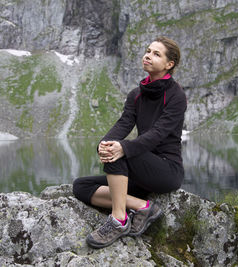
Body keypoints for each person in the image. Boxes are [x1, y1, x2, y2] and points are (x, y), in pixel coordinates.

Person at [73, 36, 187, 249]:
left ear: (169, 64)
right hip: (140, 171)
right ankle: (142, 206)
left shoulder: (176, 95)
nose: (148, 56)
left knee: (120, 149)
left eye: (156, 54)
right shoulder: (136, 95)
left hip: (166, 170)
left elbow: (159, 133)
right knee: (81, 186)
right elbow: (124, 124)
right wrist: (103, 144)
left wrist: (123, 148)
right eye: (148, 51)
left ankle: (119, 220)